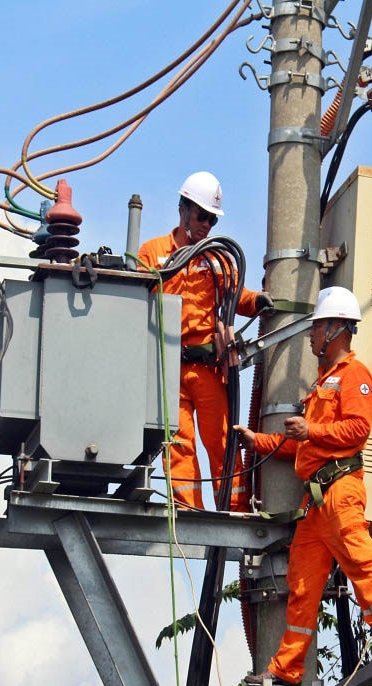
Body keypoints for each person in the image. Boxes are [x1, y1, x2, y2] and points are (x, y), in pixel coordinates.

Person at [234, 286, 372, 686]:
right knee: (301, 587)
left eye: (316, 327)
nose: (312, 335)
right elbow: (298, 444)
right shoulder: (322, 383)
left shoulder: (354, 375)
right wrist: (256, 441)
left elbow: (358, 429)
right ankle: (288, 667)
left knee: (361, 561)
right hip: (316, 504)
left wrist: (311, 429)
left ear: (335, 328)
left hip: (341, 490)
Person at [138, 171, 272, 511]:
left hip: (208, 368)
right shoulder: (153, 253)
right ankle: (187, 510)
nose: (207, 225)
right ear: (183, 210)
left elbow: (235, 296)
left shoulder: (218, 258)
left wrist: (257, 301)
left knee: (222, 441)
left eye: (212, 219)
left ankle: (236, 509)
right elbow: (134, 293)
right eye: (202, 216)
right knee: (178, 444)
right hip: (167, 367)